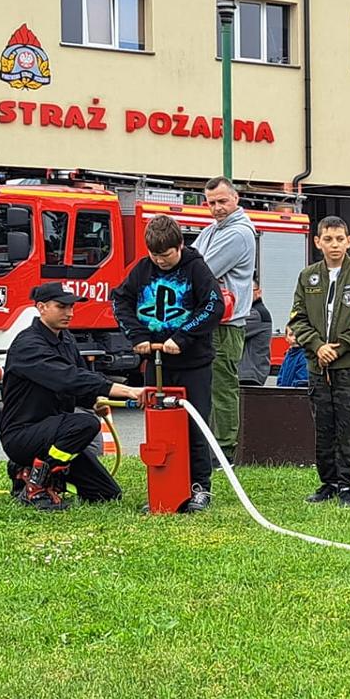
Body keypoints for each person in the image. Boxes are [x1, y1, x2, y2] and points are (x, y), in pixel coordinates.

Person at [112, 215, 223, 513]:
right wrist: (136, 335)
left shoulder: (196, 268)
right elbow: (119, 300)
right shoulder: (142, 269)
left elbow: (213, 306)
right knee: (159, 426)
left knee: (194, 425)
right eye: (155, 255)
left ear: (180, 246)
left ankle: (199, 487)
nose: (160, 261)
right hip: (156, 360)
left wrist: (183, 337)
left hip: (193, 363)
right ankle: (164, 486)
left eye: (166, 255)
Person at [2, 282, 143, 510]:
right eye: (61, 306)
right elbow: (68, 378)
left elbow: (81, 380)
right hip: (23, 434)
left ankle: (26, 471)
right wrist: (127, 391)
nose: (69, 313)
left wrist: (94, 401)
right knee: (85, 424)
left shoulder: (66, 339)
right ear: (41, 307)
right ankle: (36, 485)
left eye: (71, 307)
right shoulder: (28, 345)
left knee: (106, 494)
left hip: (55, 433)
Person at [287, 216, 350, 507]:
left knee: (349, 428)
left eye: (340, 239)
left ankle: (348, 489)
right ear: (318, 242)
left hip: (349, 366)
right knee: (323, 428)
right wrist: (317, 346)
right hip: (317, 366)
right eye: (328, 239)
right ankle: (327, 483)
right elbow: (297, 319)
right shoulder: (308, 277)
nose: (334, 245)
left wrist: (337, 349)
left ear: (349, 241)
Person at [191, 177, 257, 458]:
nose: (217, 208)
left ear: (236, 199)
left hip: (226, 324)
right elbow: (190, 261)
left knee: (222, 388)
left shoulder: (238, 233)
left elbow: (199, 269)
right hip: (210, 321)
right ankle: (212, 447)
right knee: (207, 387)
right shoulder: (212, 230)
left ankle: (225, 451)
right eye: (211, 203)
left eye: (222, 201)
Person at [240, 286, 273, 387]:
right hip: (249, 373)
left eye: (248, 290)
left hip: (249, 373)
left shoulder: (256, 314)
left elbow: (235, 330)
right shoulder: (255, 311)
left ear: (258, 292)